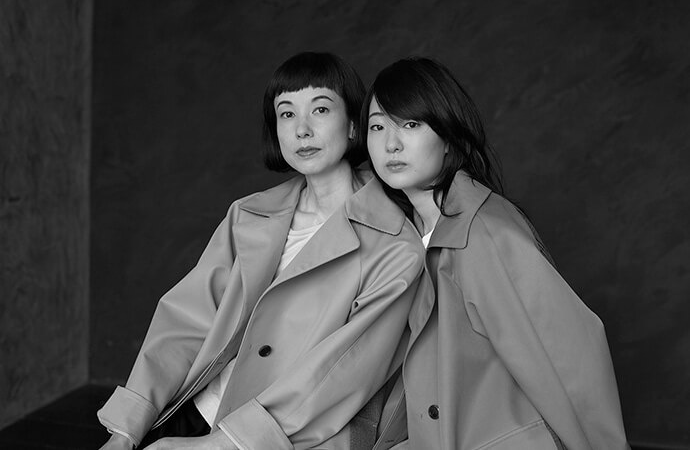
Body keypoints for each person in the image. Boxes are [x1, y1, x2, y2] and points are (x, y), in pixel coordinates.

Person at [97, 52, 424, 450]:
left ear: (354, 124)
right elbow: (185, 323)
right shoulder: (247, 216)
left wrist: (217, 447)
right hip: (196, 413)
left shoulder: (394, 244)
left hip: (277, 439)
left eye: (320, 109)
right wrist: (125, 429)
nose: (302, 130)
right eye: (287, 114)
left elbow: (341, 375)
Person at [365, 57, 630, 450]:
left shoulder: (485, 231)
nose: (391, 143)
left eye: (411, 124)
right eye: (377, 126)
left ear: (447, 135)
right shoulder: (404, 237)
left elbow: (565, 359)